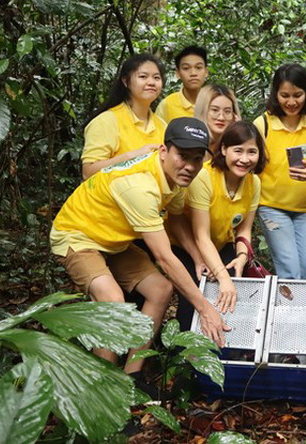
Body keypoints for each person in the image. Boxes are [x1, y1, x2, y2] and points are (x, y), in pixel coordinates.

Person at [50, 117, 230, 379]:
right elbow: (164, 257)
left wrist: (197, 256)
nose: (190, 166)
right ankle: (106, 386)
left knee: (160, 289)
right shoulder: (140, 186)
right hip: (78, 236)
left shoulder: (176, 178)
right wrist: (205, 308)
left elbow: (176, 219)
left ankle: (132, 376)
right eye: (183, 156)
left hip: (114, 240)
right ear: (164, 151)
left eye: (197, 159)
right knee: (112, 299)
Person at [181, 121, 267, 329]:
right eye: (238, 151)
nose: (244, 159)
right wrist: (221, 275)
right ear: (223, 149)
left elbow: (244, 229)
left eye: (252, 152)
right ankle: (182, 354)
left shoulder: (253, 182)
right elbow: (201, 235)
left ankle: (224, 351)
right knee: (194, 293)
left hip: (221, 244)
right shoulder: (205, 178)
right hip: (188, 245)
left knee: (233, 290)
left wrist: (241, 257)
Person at [253, 63, 306, 279]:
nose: (291, 102)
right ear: (275, 94)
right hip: (272, 208)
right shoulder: (262, 124)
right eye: (284, 95)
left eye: (297, 95)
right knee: (289, 271)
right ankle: (287, 313)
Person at [81, 54, 168, 180]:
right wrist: (135, 156)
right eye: (143, 76)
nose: (151, 82)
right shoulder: (107, 121)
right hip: (109, 198)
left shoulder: (163, 126)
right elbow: (88, 172)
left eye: (156, 78)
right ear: (126, 81)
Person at [155, 46, 209, 123]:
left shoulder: (215, 102)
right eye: (186, 68)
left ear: (206, 72)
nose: (193, 73)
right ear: (178, 73)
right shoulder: (167, 105)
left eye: (198, 67)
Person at [194, 84, 242, 153]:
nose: (221, 118)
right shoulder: (191, 146)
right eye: (215, 110)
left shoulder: (236, 149)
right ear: (203, 111)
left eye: (227, 112)